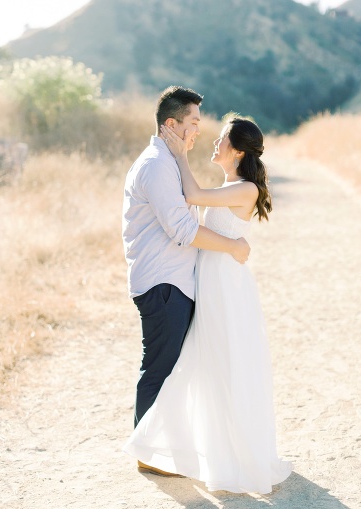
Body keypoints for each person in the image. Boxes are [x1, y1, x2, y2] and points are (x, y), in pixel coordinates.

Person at [123, 115, 293, 493]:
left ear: (236, 149)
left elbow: (193, 197)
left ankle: (235, 453)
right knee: (204, 362)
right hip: (210, 280)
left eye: (221, 139)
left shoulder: (246, 189)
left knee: (225, 362)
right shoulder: (231, 184)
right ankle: (200, 446)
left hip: (226, 286)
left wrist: (179, 153)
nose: (214, 143)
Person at [121, 86, 251, 476]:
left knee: (172, 366)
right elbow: (180, 228)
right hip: (163, 283)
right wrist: (231, 245)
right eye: (193, 122)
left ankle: (163, 446)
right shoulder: (156, 166)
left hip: (174, 280)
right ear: (171, 124)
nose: (198, 130)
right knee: (160, 367)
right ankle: (147, 453)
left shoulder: (167, 161)